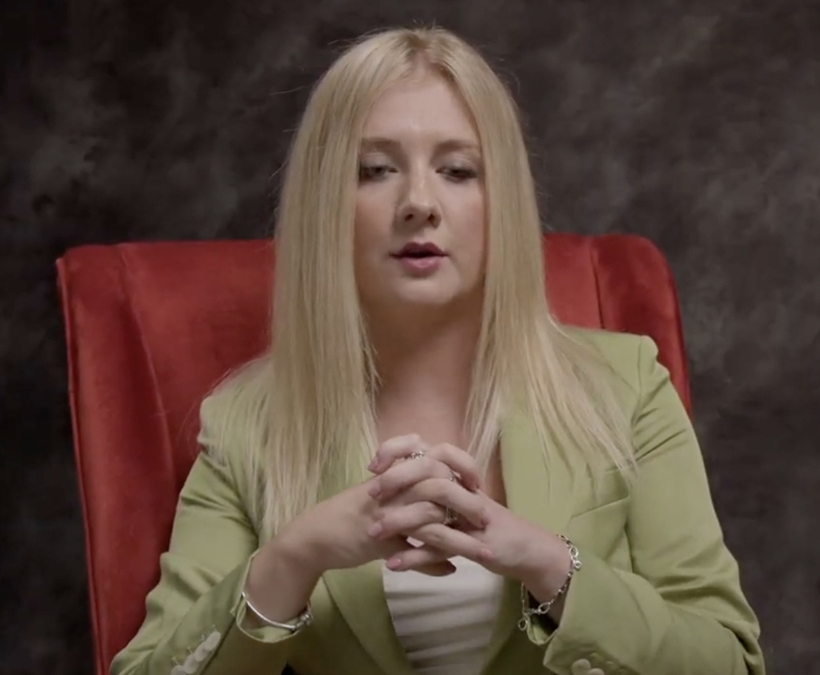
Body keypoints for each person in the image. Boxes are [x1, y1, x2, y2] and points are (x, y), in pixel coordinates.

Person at [111, 26, 763, 675]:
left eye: (457, 170)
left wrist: (551, 566)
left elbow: (731, 662)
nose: (419, 203)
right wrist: (294, 556)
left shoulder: (626, 385)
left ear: (500, 199)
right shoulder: (247, 423)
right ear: (325, 205)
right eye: (374, 170)